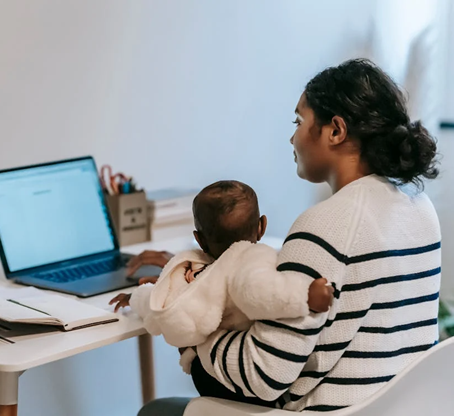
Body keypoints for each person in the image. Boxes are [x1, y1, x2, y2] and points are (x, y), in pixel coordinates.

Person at [134, 59, 441, 415]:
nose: (292, 137)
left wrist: (191, 322)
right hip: (399, 408)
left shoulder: (325, 223)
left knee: (157, 410)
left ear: (335, 131)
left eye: (299, 121)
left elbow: (264, 375)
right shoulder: (419, 207)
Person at [110, 180, 333, 374]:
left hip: (212, 372)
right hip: (230, 370)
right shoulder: (251, 262)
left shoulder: (198, 276)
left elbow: (160, 305)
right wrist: (306, 295)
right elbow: (266, 292)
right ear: (262, 226)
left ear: (199, 240)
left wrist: (136, 297)